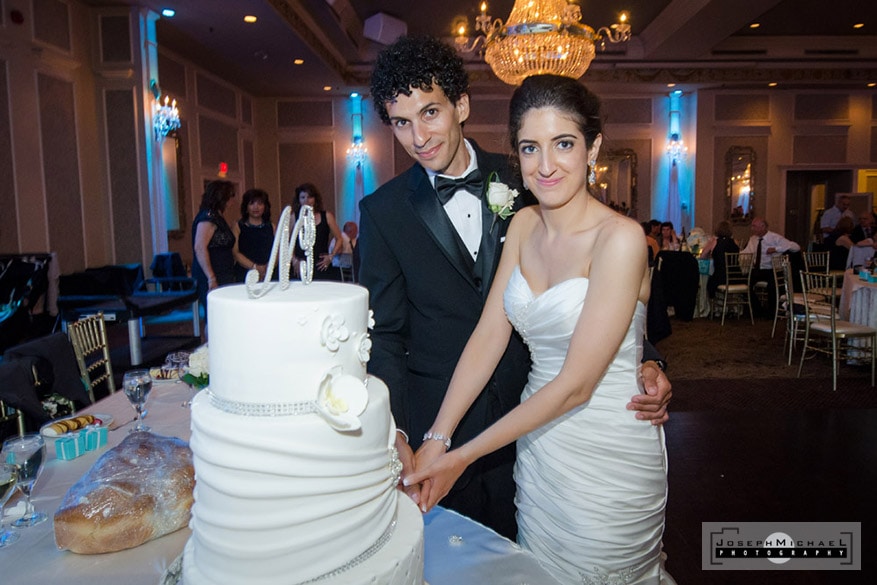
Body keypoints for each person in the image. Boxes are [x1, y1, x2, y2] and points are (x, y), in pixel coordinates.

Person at [359, 35, 671, 541]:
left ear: (461, 105)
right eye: (401, 122)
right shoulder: (384, 211)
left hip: (539, 412)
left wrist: (645, 356)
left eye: (431, 113)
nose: (418, 137)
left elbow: (601, 292)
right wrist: (410, 432)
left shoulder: (530, 178)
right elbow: (387, 335)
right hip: (442, 415)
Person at [192, 180, 236, 317]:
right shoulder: (208, 217)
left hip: (223, 271)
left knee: (223, 314)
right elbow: (199, 247)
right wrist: (211, 277)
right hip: (212, 273)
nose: (232, 200)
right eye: (230, 196)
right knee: (214, 316)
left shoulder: (217, 216)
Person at [741, 217, 800, 316]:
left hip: (772, 269)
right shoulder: (753, 239)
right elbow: (747, 252)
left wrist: (776, 249)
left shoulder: (775, 238)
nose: (752, 229)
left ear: (762, 227)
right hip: (758, 270)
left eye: (754, 226)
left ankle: (771, 312)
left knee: (772, 286)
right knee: (743, 284)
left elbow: (796, 247)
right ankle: (758, 309)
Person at [292, 183, 345, 281]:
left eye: (310, 197)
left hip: (321, 265)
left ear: (315, 199)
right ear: (299, 200)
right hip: (301, 266)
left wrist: (331, 256)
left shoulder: (327, 216)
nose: (306, 201)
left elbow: (339, 239)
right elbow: (287, 243)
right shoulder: (294, 217)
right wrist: (294, 261)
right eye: (303, 197)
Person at [232, 188, 275, 282]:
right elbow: (235, 252)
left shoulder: (272, 226)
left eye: (260, 203)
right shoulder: (238, 226)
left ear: (265, 207)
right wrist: (255, 267)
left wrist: (268, 267)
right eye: (252, 203)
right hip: (245, 274)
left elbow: (278, 250)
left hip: (269, 274)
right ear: (246, 207)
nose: (256, 207)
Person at [700, 220, 739, 298]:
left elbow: (703, 256)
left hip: (720, 277)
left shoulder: (714, 242)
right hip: (736, 277)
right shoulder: (735, 242)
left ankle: (712, 305)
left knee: (709, 283)